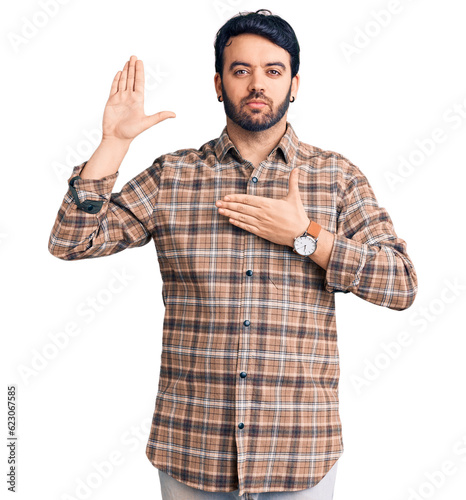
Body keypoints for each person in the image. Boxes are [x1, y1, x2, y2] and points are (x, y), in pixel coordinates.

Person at [48, 9, 418, 500]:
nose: (257, 84)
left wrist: (307, 236)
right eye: (241, 71)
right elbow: (71, 240)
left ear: (295, 83)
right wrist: (113, 144)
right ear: (219, 84)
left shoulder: (337, 177)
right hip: (192, 451)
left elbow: (401, 284)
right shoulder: (172, 177)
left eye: (273, 70)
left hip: (299, 453)